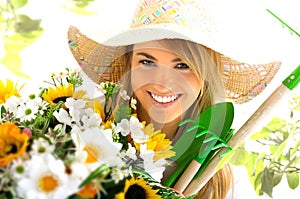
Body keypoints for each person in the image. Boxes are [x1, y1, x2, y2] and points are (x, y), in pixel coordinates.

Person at [67, 0, 281, 198]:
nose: (163, 83)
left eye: (182, 66)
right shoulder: (82, 127)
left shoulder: (215, 178)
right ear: (128, 64)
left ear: (206, 74)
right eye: (147, 62)